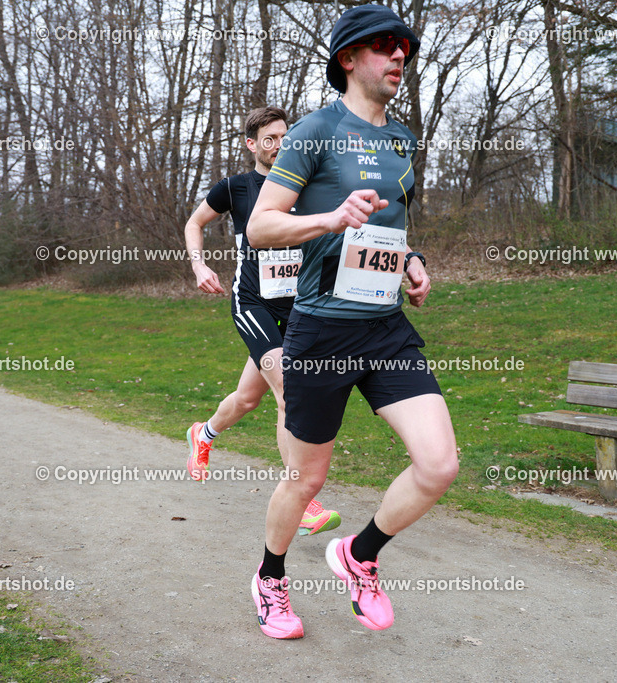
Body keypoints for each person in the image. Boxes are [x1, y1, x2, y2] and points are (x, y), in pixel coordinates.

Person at [245, 5, 458, 639]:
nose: (400, 57)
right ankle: (270, 577)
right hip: (321, 328)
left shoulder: (402, 140)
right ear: (348, 59)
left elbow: (392, 227)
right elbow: (260, 227)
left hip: (383, 324)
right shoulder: (313, 132)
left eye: (405, 48)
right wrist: (329, 218)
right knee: (307, 476)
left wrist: (413, 262)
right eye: (385, 46)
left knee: (438, 465)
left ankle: (359, 555)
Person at [183, 106, 341, 537]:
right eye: (269, 139)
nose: (279, 145)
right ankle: (302, 499)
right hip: (253, 304)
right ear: (252, 145)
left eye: (285, 137)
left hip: (298, 309)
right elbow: (195, 223)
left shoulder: (304, 187)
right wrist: (200, 267)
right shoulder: (236, 188)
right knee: (289, 387)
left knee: (247, 398)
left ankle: (204, 433)